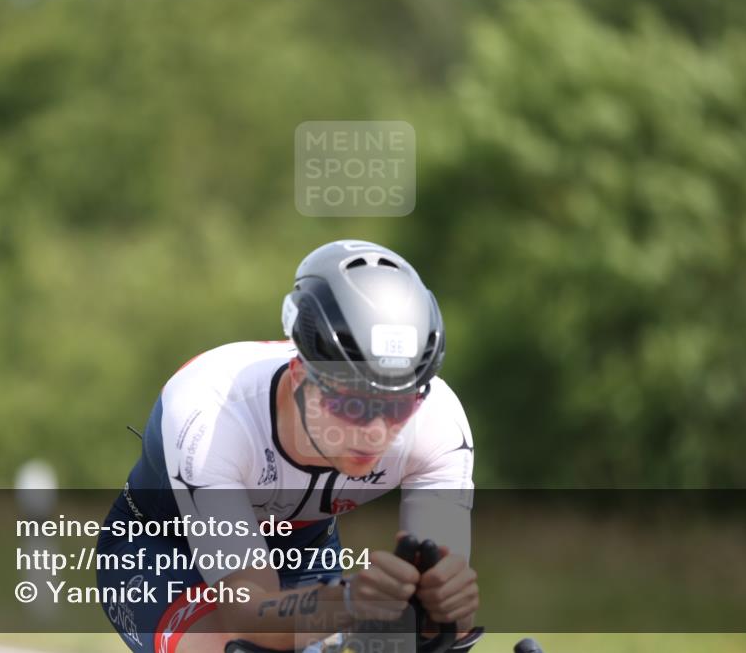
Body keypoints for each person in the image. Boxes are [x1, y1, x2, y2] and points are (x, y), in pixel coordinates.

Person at [97, 240, 480, 653]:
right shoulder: (212, 414)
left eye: (399, 405)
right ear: (299, 375)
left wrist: (435, 611)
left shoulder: (438, 420)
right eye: (351, 403)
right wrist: (349, 603)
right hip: (160, 547)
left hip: (303, 548)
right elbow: (247, 620)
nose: (375, 430)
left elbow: (445, 622)